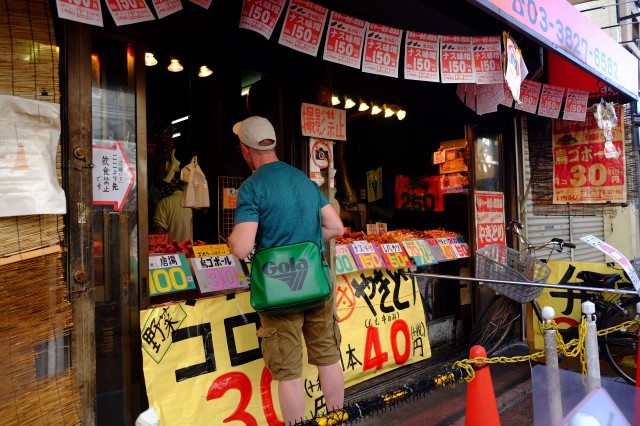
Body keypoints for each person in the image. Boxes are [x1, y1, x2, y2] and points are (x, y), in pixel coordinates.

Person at [228, 116, 345, 425]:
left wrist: (233, 238)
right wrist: (305, 243)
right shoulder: (305, 182)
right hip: (317, 285)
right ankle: (338, 420)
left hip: (279, 292)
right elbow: (336, 227)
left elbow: (241, 248)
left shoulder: (251, 188)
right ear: (273, 144)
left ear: (245, 150)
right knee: (328, 357)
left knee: (289, 372)